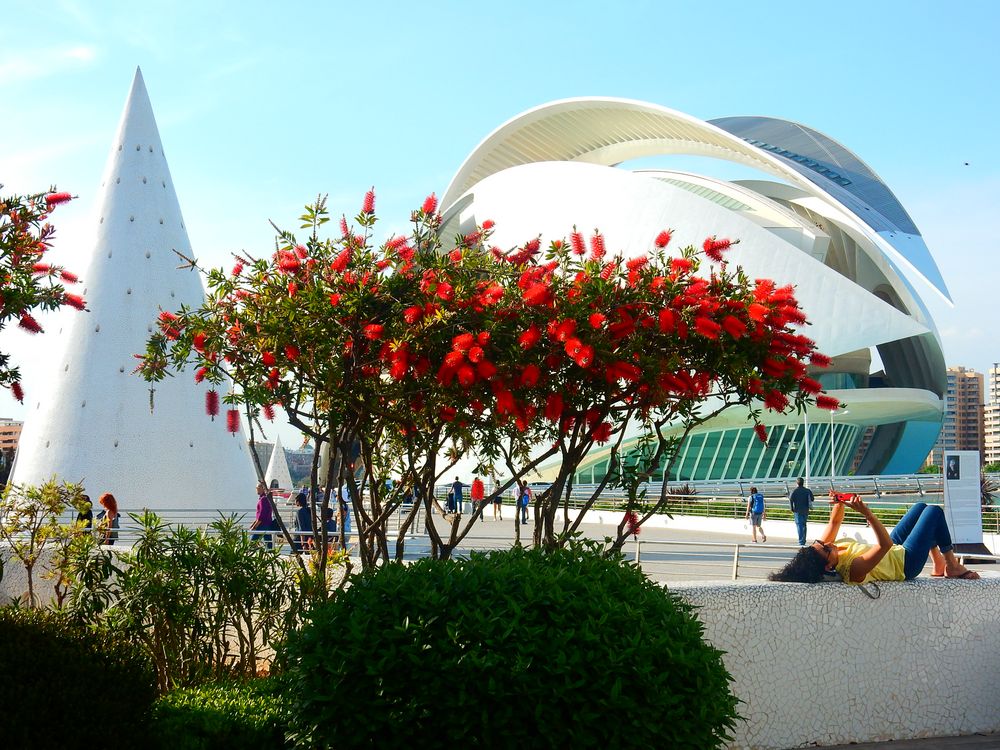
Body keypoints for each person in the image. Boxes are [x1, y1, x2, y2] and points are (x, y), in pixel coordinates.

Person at [770, 494, 981, 584]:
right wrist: (867, 513)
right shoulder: (852, 570)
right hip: (904, 564)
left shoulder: (825, 551)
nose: (827, 543)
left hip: (892, 552)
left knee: (920, 508)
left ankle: (938, 563)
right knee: (933, 512)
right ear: (828, 566)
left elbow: (834, 523)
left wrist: (839, 500)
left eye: (820, 542)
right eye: (826, 548)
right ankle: (952, 566)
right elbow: (885, 544)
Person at [250, 481, 276, 549]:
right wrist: (254, 523)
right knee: (268, 543)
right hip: (267, 524)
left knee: (252, 542)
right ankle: (270, 555)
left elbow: (261, 514)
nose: (256, 489)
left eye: (257, 488)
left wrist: (255, 525)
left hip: (262, 525)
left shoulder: (263, 499)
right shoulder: (267, 498)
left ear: (262, 488)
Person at [788, 477, 814, 546]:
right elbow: (812, 498)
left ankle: (801, 541)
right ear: (803, 483)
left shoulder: (794, 491)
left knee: (799, 525)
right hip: (805, 510)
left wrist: (791, 508)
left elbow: (790, 499)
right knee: (804, 525)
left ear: (797, 483)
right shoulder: (807, 490)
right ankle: (803, 540)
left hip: (797, 510)